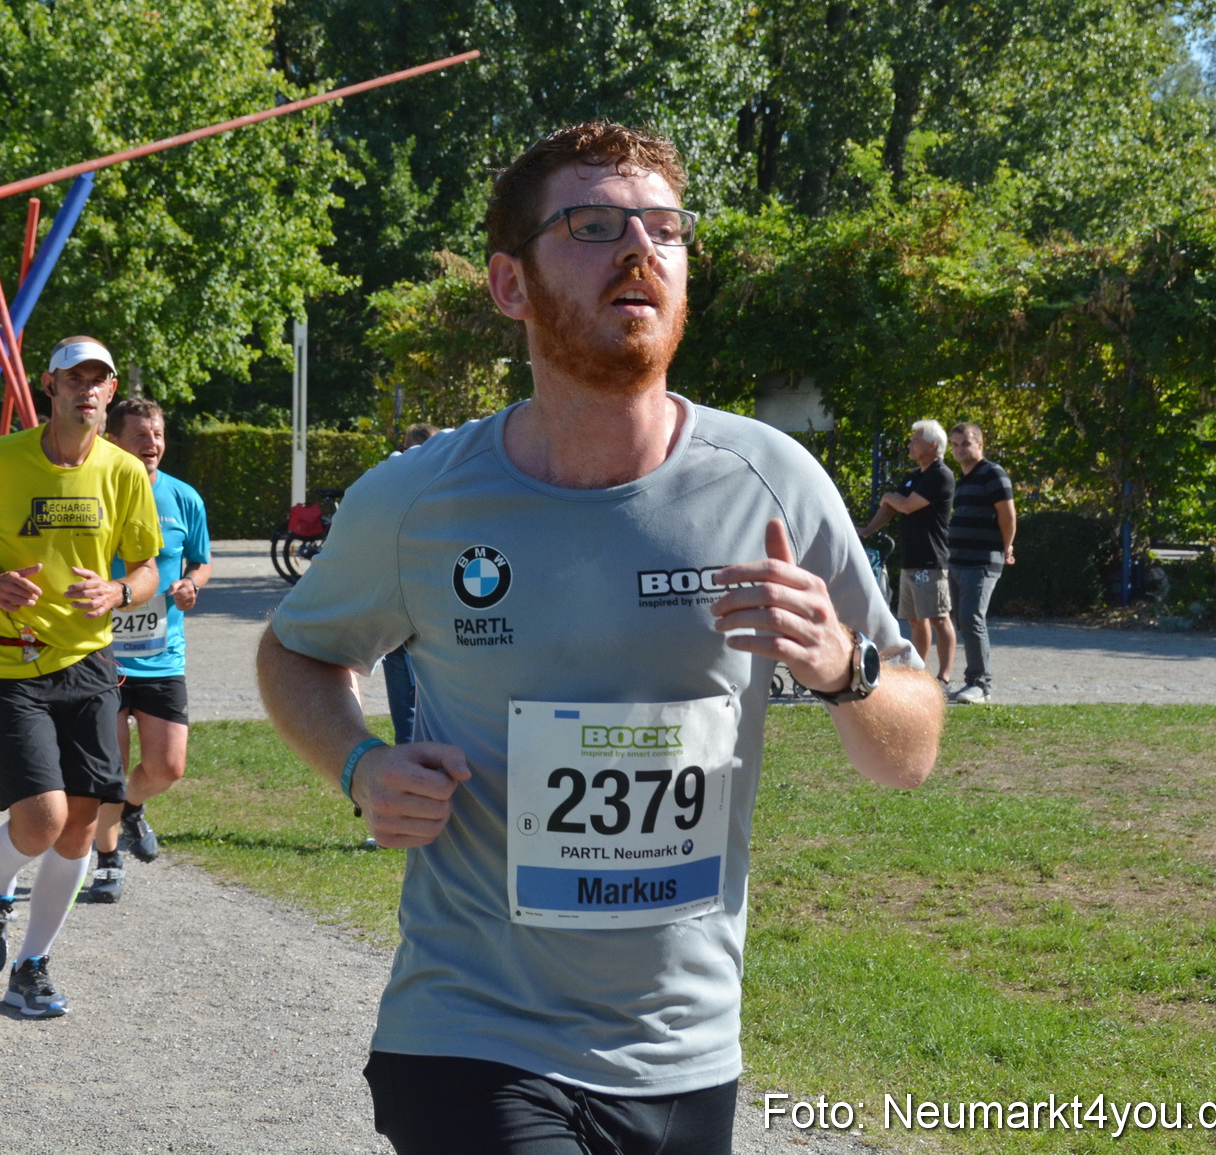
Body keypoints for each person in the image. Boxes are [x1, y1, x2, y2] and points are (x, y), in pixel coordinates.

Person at [256, 122, 944, 1154]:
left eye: (663, 228)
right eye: (591, 225)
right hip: (469, 1034)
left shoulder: (772, 482)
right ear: (509, 284)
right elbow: (297, 651)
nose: (638, 249)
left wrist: (846, 669)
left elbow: (914, 748)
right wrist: (359, 763)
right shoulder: (418, 502)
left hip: (685, 1052)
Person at [0, 336, 160, 1017]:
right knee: (42, 817)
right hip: (10, 659)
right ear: (49, 385)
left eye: (100, 380)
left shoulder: (122, 472)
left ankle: (32, 964)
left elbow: (148, 566)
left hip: (89, 660)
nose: (87, 389)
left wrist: (118, 593)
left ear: (110, 392)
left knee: (81, 823)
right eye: (74, 377)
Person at [85, 398, 212, 903]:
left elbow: (201, 561)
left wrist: (189, 584)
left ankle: (131, 807)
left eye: (157, 434)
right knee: (109, 767)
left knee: (168, 767)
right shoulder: (94, 491)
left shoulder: (184, 497)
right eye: (139, 435)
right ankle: (108, 862)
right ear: (112, 440)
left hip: (163, 653)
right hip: (102, 653)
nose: (151, 444)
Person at [859, 420, 956, 687]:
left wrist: (890, 496)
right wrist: (867, 530)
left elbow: (908, 505)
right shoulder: (915, 476)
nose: (909, 444)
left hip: (931, 560)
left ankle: (944, 676)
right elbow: (891, 507)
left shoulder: (941, 475)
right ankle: (918, 671)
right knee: (915, 619)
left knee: (938, 617)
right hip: (910, 559)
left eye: (915, 439)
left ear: (932, 446)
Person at [380, 423, 441, 745]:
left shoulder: (390, 483)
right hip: (427, 619)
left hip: (405, 617)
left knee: (409, 724)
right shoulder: (449, 486)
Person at [946, 422, 1016, 704]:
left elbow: (1007, 515)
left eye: (965, 443)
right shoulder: (963, 479)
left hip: (983, 560)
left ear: (979, 445)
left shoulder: (993, 473)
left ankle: (980, 684)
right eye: (955, 444)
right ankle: (969, 681)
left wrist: (1006, 546)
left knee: (971, 618)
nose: (960, 449)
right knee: (962, 621)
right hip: (957, 560)